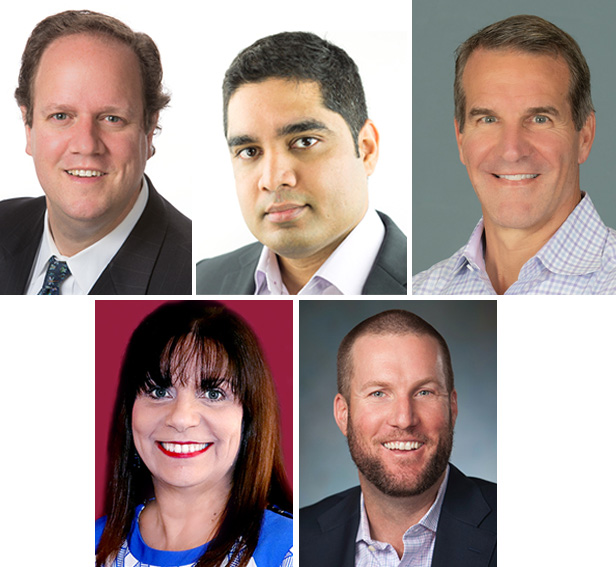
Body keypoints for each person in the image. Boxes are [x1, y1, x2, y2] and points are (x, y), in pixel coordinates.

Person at [413, 14, 616, 295]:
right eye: (488, 119)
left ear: (585, 135)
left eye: (540, 119)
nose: (512, 150)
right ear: (460, 138)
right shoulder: (425, 290)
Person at [196, 32, 406, 295]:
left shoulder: (420, 285)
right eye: (250, 151)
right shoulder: (201, 282)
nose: (273, 179)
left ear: (366, 149)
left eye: (305, 142)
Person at [0, 10, 191, 295]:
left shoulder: (190, 277)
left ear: (149, 129)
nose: (87, 145)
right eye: (61, 116)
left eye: (112, 119)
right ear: (28, 128)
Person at [95, 301, 293, 567]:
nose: (181, 418)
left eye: (213, 393)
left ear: (249, 417)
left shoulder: (290, 549)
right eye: (158, 391)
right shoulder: (93, 544)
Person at [300, 309, 496, 567]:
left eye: (424, 392)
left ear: (453, 407)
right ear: (343, 414)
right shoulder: (299, 537)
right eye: (379, 394)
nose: (404, 419)